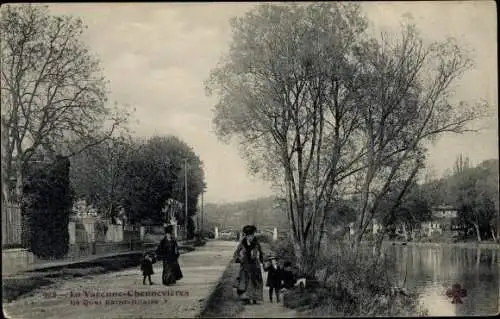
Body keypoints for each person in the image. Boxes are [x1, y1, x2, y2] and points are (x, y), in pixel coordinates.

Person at [233, 225, 264, 305]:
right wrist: (239, 258)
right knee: (245, 281)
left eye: (252, 235)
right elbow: (236, 253)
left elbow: (261, 252)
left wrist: (263, 261)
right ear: (246, 236)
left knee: (255, 280)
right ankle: (246, 299)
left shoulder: (256, 242)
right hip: (245, 264)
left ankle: (255, 298)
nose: (251, 237)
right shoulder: (242, 243)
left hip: (254, 264)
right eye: (249, 236)